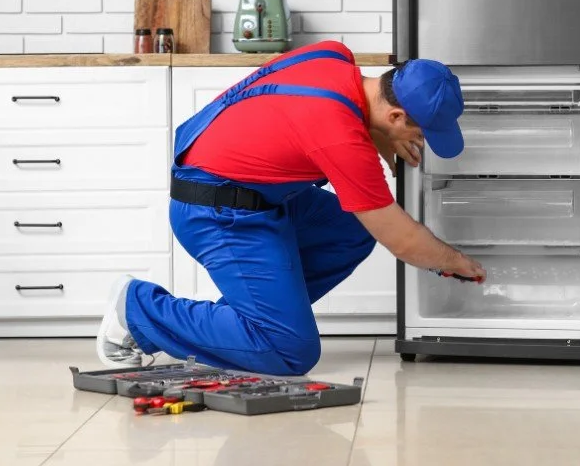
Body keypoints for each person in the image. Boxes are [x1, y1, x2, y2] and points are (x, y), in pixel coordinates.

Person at [94, 40, 486, 375]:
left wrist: (380, 133)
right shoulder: (340, 138)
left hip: (263, 193)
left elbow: (306, 111)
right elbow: (401, 239)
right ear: (396, 114)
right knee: (291, 352)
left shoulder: (334, 56)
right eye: (418, 132)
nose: (420, 141)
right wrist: (458, 262)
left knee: (350, 232)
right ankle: (137, 309)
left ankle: (243, 326)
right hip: (217, 212)